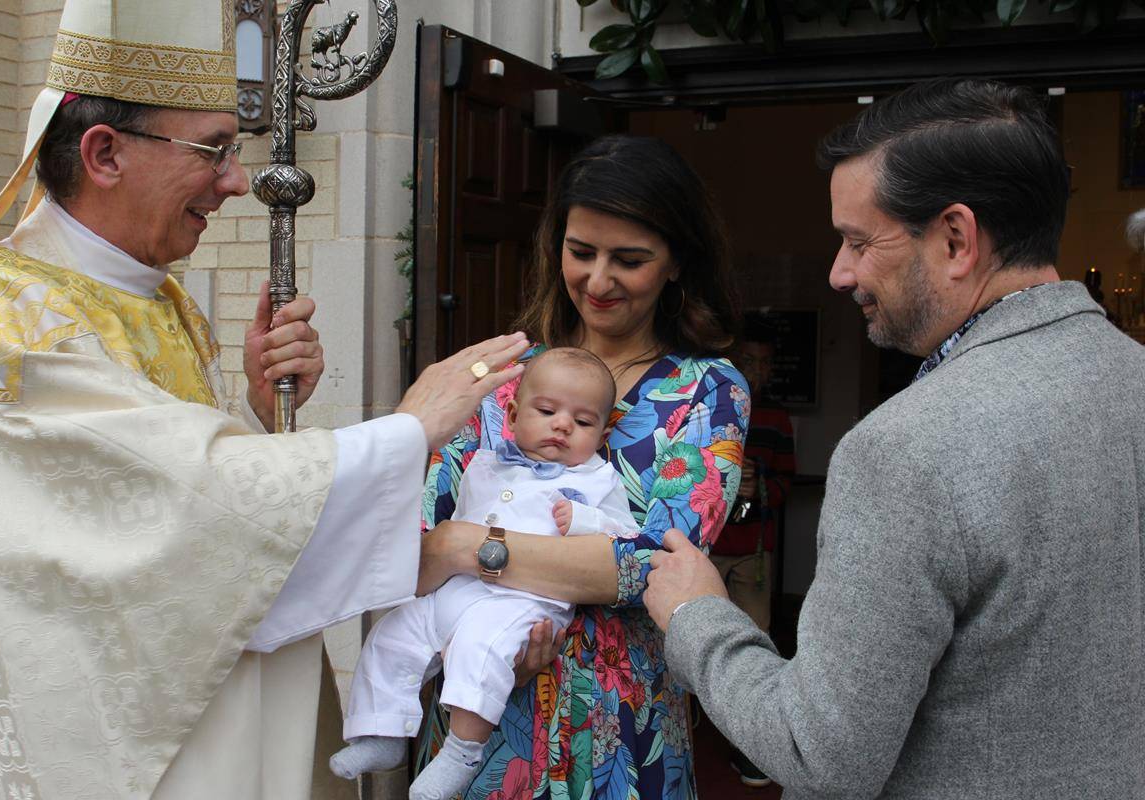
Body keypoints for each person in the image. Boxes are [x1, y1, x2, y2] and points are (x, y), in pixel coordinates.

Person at [0, 2, 524, 798]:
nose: (236, 181)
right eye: (213, 149)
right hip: (115, 736)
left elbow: (162, 488)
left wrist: (254, 416)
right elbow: (157, 523)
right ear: (105, 153)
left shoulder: (162, 300)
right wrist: (408, 429)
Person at [643, 78, 1145, 799]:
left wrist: (698, 616)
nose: (839, 273)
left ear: (956, 239)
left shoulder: (906, 448)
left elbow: (820, 753)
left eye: (856, 241)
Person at [411, 135, 749, 799]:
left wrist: (467, 547)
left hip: (623, 728)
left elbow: (655, 564)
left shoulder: (707, 391)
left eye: (629, 259)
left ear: (677, 261)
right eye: (581, 252)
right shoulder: (501, 378)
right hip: (485, 719)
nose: (598, 280)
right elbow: (418, 537)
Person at [331, 347, 639, 799]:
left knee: (480, 647)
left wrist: (586, 521)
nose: (562, 425)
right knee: (393, 635)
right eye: (548, 411)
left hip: (527, 602)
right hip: (458, 589)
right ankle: (382, 732)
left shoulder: (599, 480)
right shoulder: (485, 463)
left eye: (583, 421)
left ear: (602, 431)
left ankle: (460, 753)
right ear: (512, 414)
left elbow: (628, 538)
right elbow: (444, 521)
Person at [708, 317, 796, 788]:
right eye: (747, 362)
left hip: (753, 551)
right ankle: (692, 726)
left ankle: (753, 748)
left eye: (764, 364)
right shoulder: (713, 405)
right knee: (688, 637)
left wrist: (760, 488)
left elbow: (787, 480)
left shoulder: (777, 418)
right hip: (706, 548)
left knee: (754, 641)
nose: (756, 372)